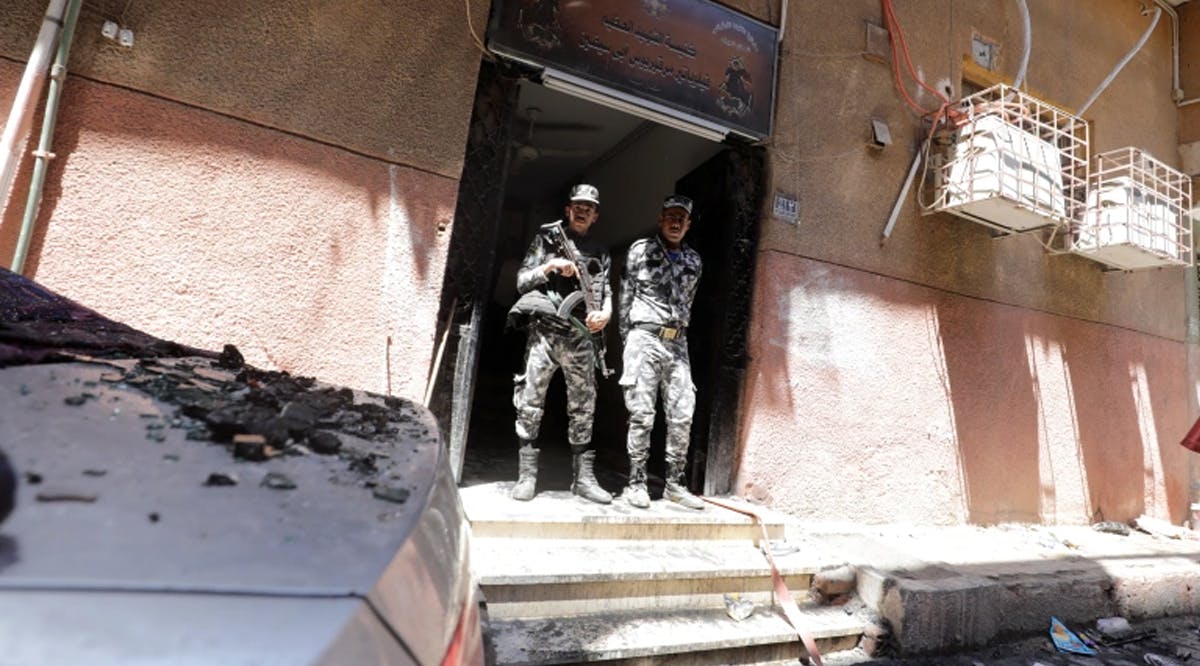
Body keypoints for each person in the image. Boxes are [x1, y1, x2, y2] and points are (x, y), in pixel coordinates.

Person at [507, 184, 613, 504]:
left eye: (589, 208)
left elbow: (605, 293)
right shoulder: (547, 239)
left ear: (595, 216)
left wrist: (605, 314)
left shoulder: (602, 251)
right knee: (530, 402)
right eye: (577, 206)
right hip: (545, 334)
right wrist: (550, 266)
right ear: (568, 210)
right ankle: (526, 477)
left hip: (581, 338)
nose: (582, 211)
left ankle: (583, 479)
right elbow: (521, 280)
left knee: (584, 408)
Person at [618, 194, 704, 510]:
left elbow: (689, 303)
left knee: (683, 413)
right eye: (671, 216)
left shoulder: (695, 261)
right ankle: (636, 483)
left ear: (689, 223)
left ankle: (674, 484)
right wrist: (628, 341)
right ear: (661, 218)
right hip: (645, 337)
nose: (676, 222)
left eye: (682, 218)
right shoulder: (640, 250)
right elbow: (625, 295)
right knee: (641, 413)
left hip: (677, 343)